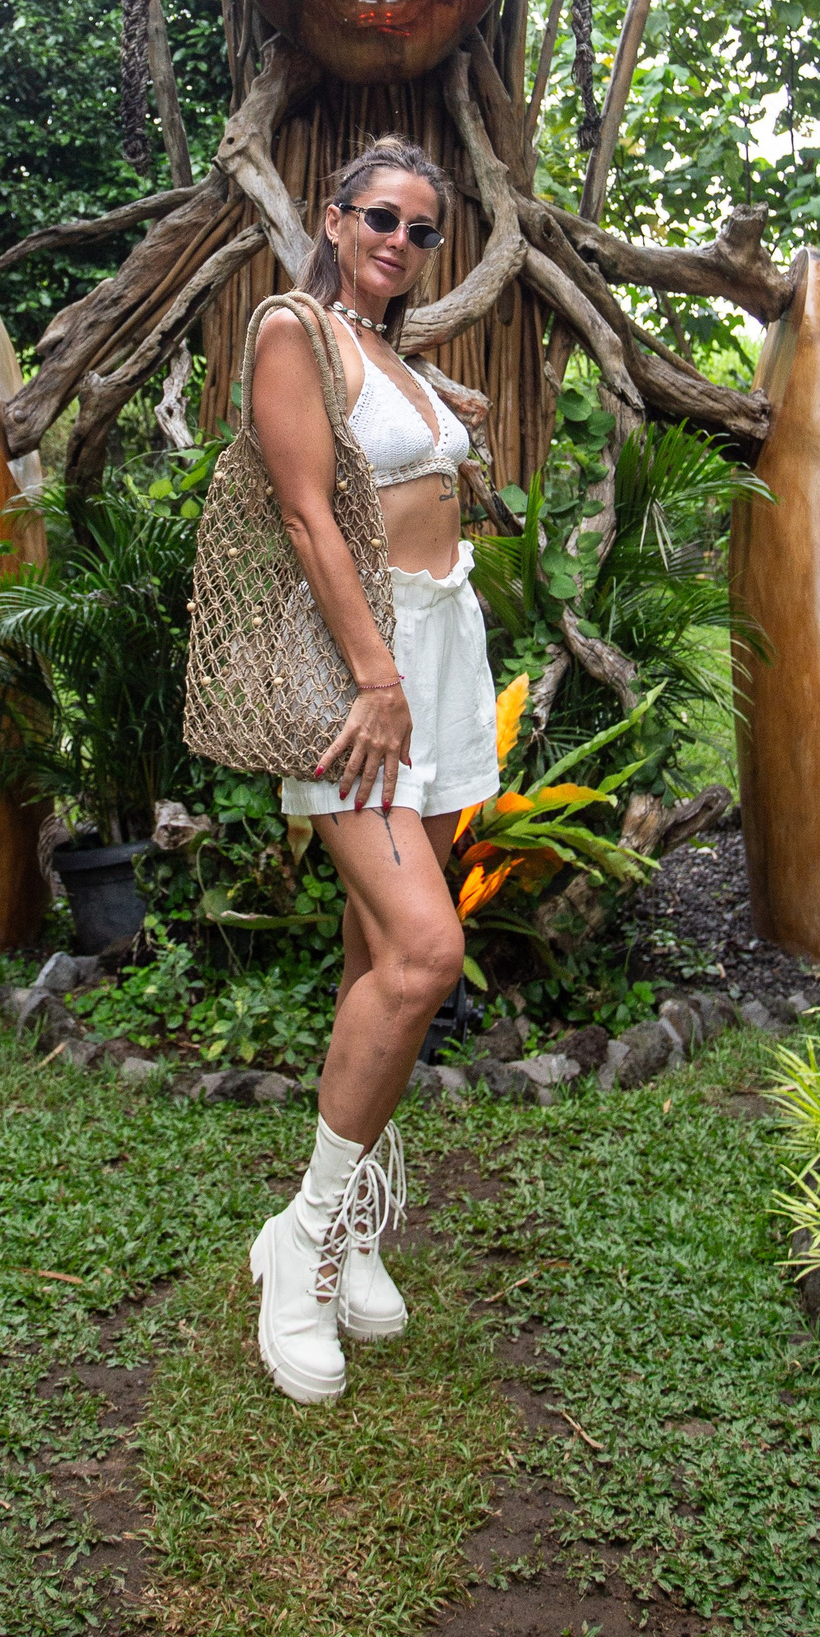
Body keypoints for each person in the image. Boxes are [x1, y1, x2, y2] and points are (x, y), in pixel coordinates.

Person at [243, 137, 499, 1403]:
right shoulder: (291, 331)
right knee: (425, 953)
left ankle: (348, 1232)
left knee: (372, 958)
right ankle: (299, 1243)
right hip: (365, 678)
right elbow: (304, 516)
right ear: (336, 218)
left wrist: (449, 424)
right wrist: (375, 679)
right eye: (381, 218)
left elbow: (407, 478)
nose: (400, 241)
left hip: (443, 655)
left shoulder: (393, 352)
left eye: (422, 229)